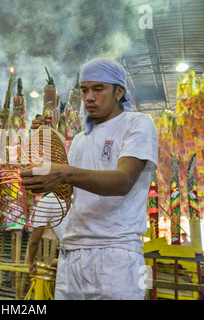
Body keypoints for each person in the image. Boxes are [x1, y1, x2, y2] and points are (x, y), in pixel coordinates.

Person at [20, 58, 158, 300]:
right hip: (72, 256)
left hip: (115, 257)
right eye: (84, 90)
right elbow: (67, 195)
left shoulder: (137, 124)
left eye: (98, 89)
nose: (89, 97)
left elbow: (123, 181)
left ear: (119, 91)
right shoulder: (81, 140)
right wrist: (44, 143)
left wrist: (64, 171)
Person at [27, 193, 69, 274]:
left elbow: (35, 240)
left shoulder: (47, 201)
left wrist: (31, 261)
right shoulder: (78, 196)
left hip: (72, 252)